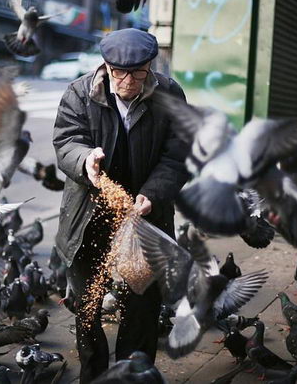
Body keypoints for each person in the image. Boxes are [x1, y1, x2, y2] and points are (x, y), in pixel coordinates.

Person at [52, 28, 189, 382]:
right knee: (88, 304)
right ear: (106, 67)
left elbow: (178, 156)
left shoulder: (169, 94)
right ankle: (94, 373)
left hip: (142, 215)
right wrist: (86, 161)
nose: (128, 81)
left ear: (151, 66)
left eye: (139, 72)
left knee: (141, 305)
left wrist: (154, 193)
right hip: (89, 213)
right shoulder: (80, 93)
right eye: (119, 73)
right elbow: (66, 142)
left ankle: (133, 374)